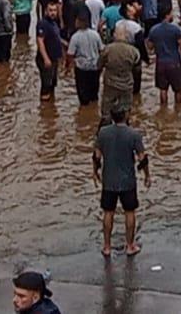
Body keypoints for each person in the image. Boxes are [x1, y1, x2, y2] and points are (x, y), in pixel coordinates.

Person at [92, 107, 150, 258]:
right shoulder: (133, 134)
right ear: (125, 116)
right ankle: (130, 245)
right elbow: (142, 158)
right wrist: (147, 176)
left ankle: (106, 246)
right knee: (130, 212)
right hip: (127, 181)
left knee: (108, 212)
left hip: (109, 180)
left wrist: (95, 172)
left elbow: (97, 156)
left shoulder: (103, 133)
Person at [98, 29, 141, 120]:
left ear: (114, 35)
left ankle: (105, 129)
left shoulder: (108, 49)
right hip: (127, 84)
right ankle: (125, 126)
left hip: (110, 84)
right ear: (126, 36)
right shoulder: (133, 51)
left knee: (106, 109)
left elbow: (99, 65)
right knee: (126, 108)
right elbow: (137, 69)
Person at [147, 8, 181, 107]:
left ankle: (163, 110)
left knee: (163, 90)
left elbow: (150, 47)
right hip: (174, 62)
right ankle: (178, 110)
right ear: (167, 15)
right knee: (178, 90)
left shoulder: (154, 30)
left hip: (160, 63)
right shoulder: (176, 29)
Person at [67, 14, 103, 106]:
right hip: (95, 68)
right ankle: (93, 113)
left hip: (82, 69)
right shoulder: (95, 34)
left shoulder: (75, 37)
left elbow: (70, 54)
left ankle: (84, 114)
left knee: (83, 97)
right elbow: (102, 50)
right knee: (94, 94)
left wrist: (67, 66)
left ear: (78, 23)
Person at [35, 2, 64, 101]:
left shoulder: (54, 24)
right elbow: (40, 41)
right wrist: (46, 58)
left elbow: (57, 38)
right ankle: (44, 110)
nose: (53, 13)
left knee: (53, 83)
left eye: (55, 10)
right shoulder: (43, 23)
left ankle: (52, 107)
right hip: (46, 59)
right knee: (46, 85)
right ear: (45, 11)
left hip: (54, 58)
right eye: (50, 10)